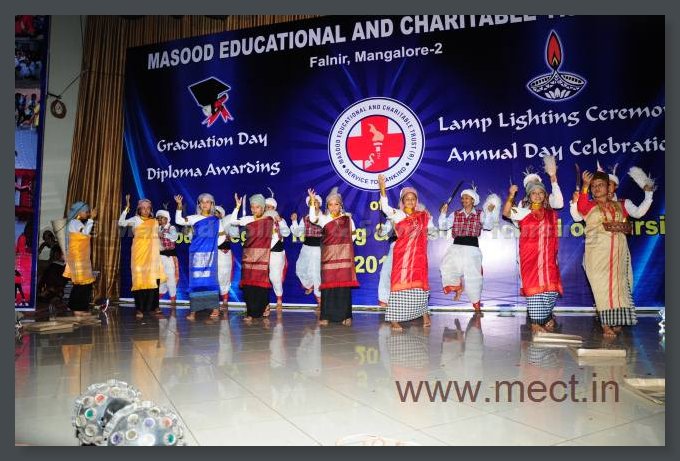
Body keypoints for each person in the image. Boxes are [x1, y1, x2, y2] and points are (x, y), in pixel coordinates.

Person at [578, 170, 639, 337]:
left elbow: (628, 224)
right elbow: (580, 207)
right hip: (597, 253)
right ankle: (605, 324)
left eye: (600, 185)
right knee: (601, 287)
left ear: (608, 187)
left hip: (618, 252)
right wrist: (584, 186)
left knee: (618, 286)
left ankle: (617, 320)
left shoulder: (619, 205)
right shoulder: (588, 205)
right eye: (593, 186)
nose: (597, 188)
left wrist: (624, 228)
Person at [378, 175, 438, 330]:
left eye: (413, 199)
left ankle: (424, 314)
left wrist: (429, 223)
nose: (410, 201)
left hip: (418, 256)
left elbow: (433, 234)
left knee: (419, 285)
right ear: (402, 201)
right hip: (402, 256)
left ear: (416, 201)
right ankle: (394, 319)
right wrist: (382, 188)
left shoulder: (423, 216)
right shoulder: (398, 214)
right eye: (407, 199)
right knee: (399, 283)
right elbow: (385, 208)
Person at [503, 182, 563, 333]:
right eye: (534, 193)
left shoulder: (551, 214)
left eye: (540, 192)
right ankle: (535, 322)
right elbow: (506, 212)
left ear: (545, 196)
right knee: (534, 289)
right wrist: (511, 195)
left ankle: (546, 317)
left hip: (548, 258)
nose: (537, 195)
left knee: (551, 291)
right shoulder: (523, 212)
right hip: (530, 258)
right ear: (529, 196)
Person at [438, 186, 499, 312]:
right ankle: (458, 287)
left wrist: (489, 213)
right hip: (456, 247)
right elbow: (443, 226)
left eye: (467, 198)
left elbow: (488, 226)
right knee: (447, 267)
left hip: (472, 248)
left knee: (473, 276)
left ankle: (476, 303)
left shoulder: (480, 214)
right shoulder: (455, 214)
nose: (464, 200)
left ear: (473, 200)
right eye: (463, 198)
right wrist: (443, 214)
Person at [308, 187, 359, 326]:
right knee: (328, 286)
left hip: (343, 256)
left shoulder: (347, 219)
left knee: (344, 286)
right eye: (330, 204)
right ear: (327, 206)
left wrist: (342, 245)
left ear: (341, 205)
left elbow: (353, 236)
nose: (333, 207)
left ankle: (346, 316)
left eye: (336, 204)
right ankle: (326, 316)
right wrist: (312, 202)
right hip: (328, 257)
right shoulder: (324, 219)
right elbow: (312, 218)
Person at [229, 194, 277, 321]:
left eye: (257, 207)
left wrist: (267, 250)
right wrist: (237, 207)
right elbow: (232, 221)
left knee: (261, 285)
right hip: (249, 256)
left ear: (263, 208)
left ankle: (263, 307)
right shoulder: (248, 219)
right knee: (248, 285)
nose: (254, 210)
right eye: (252, 207)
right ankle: (251, 313)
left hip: (262, 257)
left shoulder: (269, 220)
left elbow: (276, 236)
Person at [175, 193, 221, 320]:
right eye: (202, 202)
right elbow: (178, 221)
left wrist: (214, 246)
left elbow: (222, 235)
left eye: (208, 202)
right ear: (199, 204)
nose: (205, 204)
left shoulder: (216, 220)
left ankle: (215, 308)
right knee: (196, 281)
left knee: (211, 280)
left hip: (210, 255)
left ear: (212, 204)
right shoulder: (194, 218)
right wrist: (179, 206)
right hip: (196, 254)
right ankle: (194, 310)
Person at [119, 195, 166, 319]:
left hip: (152, 256)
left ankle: (155, 307)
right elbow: (121, 223)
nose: (145, 210)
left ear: (151, 209)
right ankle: (139, 309)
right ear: (139, 209)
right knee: (139, 280)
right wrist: (126, 209)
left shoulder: (154, 222)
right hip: (139, 255)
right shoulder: (135, 219)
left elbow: (158, 236)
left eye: (148, 208)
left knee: (154, 280)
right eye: (143, 208)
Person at [63, 201, 97, 316]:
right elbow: (85, 233)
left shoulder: (75, 223)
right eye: (86, 212)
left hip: (81, 256)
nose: (88, 213)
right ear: (79, 212)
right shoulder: (74, 222)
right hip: (78, 257)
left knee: (80, 284)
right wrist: (92, 218)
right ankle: (78, 309)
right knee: (83, 284)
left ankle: (74, 307)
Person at [290, 193, 323, 308]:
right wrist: (294, 221)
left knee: (317, 273)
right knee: (300, 268)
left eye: (315, 202)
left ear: (320, 204)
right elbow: (297, 233)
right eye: (311, 203)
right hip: (306, 248)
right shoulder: (305, 218)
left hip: (319, 249)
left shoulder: (325, 217)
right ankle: (310, 284)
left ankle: (319, 299)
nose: (313, 204)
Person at [264, 191, 291, 315]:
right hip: (262, 252)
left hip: (277, 252)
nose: (268, 209)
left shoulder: (280, 220)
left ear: (274, 209)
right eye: (266, 207)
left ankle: (279, 298)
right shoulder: (260, 220)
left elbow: (286, 233)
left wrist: (279, 221)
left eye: (271, 207)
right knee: (262, 278)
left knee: (274, 277)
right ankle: (264, 303)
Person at [214, 206, 237, 311]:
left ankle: (225, 301)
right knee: (215, 278)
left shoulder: (226, 223)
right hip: (214, 253)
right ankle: (214, 304)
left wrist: (228, 234)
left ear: (221, 214)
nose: (214, 214)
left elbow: (234, 234)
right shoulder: (209, 224)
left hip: (226, 253)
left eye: (216, 212)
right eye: (213, 212)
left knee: (225, 277)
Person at [156, 209, 179, 305]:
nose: (160, 220)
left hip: (169, 257)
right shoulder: (158, 228)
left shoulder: (171, 227)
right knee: (161, 278)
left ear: (167, 219)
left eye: (161, 218)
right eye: (158, 218)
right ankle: (156, 302)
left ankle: (173, 300)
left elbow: (175, 237)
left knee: (171, 278)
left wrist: (164, 235)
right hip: (160, 257)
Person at [376, 218, 396, 308]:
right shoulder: (394, 215)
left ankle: (415, 301)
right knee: (385, 272)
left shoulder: (417, 214)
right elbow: (383, 232)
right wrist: (381, 230)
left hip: (411, 246)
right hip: (395, 246)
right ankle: (384, 299)